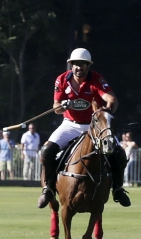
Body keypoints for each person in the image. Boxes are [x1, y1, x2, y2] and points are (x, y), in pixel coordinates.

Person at [37, 48, 130, 208]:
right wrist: (62, 106)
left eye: (82, 64)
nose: (79, 68)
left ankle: (118, 189)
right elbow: (56, 107)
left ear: (88, 66)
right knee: (47, 151)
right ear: (71, 65)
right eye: (75, 64)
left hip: (94, 126)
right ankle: (48, 189)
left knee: (119, 153)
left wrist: (108, 105)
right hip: (70, 125)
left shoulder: (96, 79)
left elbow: (109, 97)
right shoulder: (62, 80)